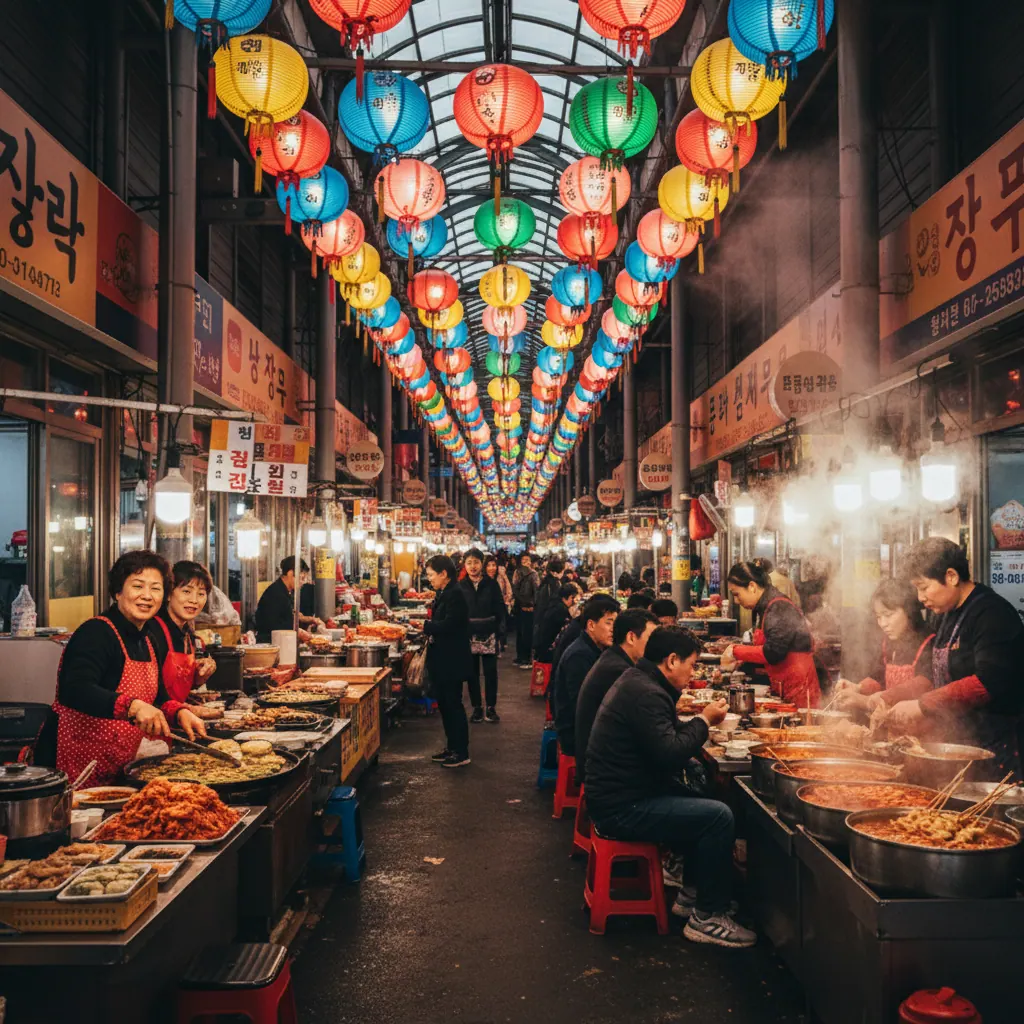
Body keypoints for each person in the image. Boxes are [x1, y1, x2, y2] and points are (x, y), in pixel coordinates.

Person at [585, 627, 753, 947]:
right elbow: (669, 755)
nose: (693, 673)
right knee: (718, 816)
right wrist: (704, 720)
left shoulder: (641, 682)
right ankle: (708, 917)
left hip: (620, 795)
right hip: (620, 808)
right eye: (691, 665)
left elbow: (665, 739)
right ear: (672, 661)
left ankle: (692, 895)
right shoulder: (646, 692)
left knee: (698, 794)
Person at [36, 551, 208, 785]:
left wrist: (179, 712)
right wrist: (132, 706)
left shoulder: (148, 639)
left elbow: (158, 696)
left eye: (156, 589)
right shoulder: (96, 632)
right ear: (118, 591)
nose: (147, 596)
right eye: (138, 586)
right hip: (73, 763)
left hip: (117, 763)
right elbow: (75, 689)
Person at [883, 538, 1024, 779]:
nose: (920, 598)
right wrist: (890, 699)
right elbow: (934, 675)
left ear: (951, 576)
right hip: (957, 746)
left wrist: (922, 706)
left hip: (995, 752)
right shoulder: (945, 615)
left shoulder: (992, 614)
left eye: (924, 587)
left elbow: (987, 682)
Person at [574, 608, 658, 786]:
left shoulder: (613, 659)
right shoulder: (618, 670)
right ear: (631, 637)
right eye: (651, 638)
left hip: (600, 762)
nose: (654, 645)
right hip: (604, 774)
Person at [721, 560, 821, 708]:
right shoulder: (765, 606)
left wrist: (735, 651)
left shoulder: (778, 606)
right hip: (785, 687)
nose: (736, 601)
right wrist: (741, 664)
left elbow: (773, 652)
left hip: (800, 690)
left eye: (737, 594)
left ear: (752, 587)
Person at [835, 579, 934, 712]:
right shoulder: (888, 643)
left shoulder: (929, 642)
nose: (883, 623)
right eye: (879, 617)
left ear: (909, 611)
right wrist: (857, 687)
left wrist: (865, 701)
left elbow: (923, 685)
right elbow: (879, 677)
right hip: (891, 724)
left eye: (888, 615)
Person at [552, 595, 620, 756]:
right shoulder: (580, 655)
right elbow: (583, 708)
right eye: (608, 623)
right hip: (576, 735)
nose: (613, 630)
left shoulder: (595, 649)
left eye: (615, 624)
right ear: (591, 625)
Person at [423, 555, 473, 769]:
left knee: (453, 704)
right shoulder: (444, 592)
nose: (429, 579)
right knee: (445, 704)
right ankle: (452, 747)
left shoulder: (455, 594)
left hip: (451, 659)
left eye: (431, 575)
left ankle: (461, 752)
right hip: (443, 658)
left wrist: (426, 626)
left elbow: (451, 625)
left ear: (444, 574)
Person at [151, 560, 219, 702]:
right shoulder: (153, 631)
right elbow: (152, 692)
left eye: (201, 594)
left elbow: (179, 686)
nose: (194, 600)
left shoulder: (188, 635)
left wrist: (199, 676)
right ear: (168, 594)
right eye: (186, 591)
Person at [459, 549, 506, 724]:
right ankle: (477, 708)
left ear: (482, 564)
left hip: (489, 634)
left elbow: (500, 608)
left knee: (490, 673)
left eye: (476, 562)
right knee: (472, 674)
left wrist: (498, 630)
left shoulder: (491, 585)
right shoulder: (461, 586)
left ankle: (491, 708)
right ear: (465, 565)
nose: (473, 566)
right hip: (468, 635)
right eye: (469, 562)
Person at [254, 556, 322, 642]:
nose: (303, 582)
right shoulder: (276, 593)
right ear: (290, 573)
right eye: (302, 578)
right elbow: (274, 626)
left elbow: (288, 615)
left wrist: (306, 620)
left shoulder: (286, 591)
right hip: (270, 644)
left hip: (281, 642)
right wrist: (298, 632)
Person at [535, 584, 579, 664]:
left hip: (542, 645)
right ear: (569, 597)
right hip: (549, 648)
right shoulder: (561, 610)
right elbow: (568, 629)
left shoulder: (554, 603)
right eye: (573, 598)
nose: (574, 601)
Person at [512, 553, 540, 668]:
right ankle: (523, 658)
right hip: (525, 606)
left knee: (524, 632)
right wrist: (532, 604)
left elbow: (516, 589)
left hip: (524, 606)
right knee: (524, 633)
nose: (526, 562)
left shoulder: (522, 573)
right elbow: (536, 591)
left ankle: (524, 658)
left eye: (528, 560)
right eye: (524, 560)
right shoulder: (533, 574)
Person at [532, 556, 566, 651]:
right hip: (548, 621)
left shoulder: (546, 582)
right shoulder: (553, 584)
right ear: (556, 572)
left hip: (542, 620)